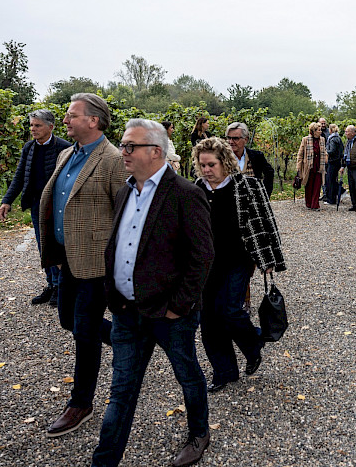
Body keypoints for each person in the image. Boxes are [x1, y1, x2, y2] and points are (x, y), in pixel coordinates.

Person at [92, 119, 214, 467]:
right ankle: (104, 461)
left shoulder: (185, 194)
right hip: (126, 313)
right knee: (121, 391)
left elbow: (202, 255)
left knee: (187, 374)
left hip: (169, 315)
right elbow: (118, 246)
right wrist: (113, 294)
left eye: (131, 146)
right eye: (123, 145)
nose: (123, 152)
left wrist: (179, 306)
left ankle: (199, 432)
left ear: (156, 152)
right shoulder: (124, 192)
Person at [39, 93, 127, 438]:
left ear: (93, 120)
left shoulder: (113, 160)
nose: (65, 121)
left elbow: (124, 215)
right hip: (67, 259)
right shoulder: (66, 154)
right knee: (67, 320)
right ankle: (126, 340)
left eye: (71, 115)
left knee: (85, 332)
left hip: (95, 263)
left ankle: (81, 403)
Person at [192, 137, 285, 394]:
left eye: (211, 164)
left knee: (231, 310)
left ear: (225, 162)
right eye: (202, 165)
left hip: (238, 259)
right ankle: (224, 371)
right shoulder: (196, 188)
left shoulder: (248, 186)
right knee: (209, 319)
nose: (206, 170)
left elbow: (266, 221)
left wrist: (269, 260)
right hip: (206, 263)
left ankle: (253, 345)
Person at [0, 109, 71, 306]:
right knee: (42, 246)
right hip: (37, 204)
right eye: (31, 125)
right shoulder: (29, 147)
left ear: (50, 127)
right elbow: (20, 176)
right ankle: (51, 284)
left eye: (37, 125)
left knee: (56, 246)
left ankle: (60, 287)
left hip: (56, 206)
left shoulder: (64, 148)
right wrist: (7, 201)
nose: (33, 129)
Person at [226, 121, 275, 196]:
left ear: (245, 140)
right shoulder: (223, 158)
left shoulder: (256, 157)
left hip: (253, 200)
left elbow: (269, 173)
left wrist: (265, 194)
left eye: (235, 138)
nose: (231, 142)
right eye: (229, 138)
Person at [296, 122, 325, 210]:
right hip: (308, 167)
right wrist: (298, 167)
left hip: (319, 166)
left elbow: (324, 151)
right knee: (309, 186)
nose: (320, 132)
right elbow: (300, 154)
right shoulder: (305, 140)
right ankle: (308, 203)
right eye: (319, 130)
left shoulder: (322, 140)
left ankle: (315, 204)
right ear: (314, 131)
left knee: (317, 186)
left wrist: (326, 156)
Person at [324, 124, 343, 205]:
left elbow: (332, 150)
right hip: (337, 161)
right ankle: (338, 194)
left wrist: (325, 151)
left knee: (330, 180)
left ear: (330, 130)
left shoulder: (332, 139)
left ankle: (331, 199)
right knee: (333, 179)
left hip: (332, 161)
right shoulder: (338, 138)